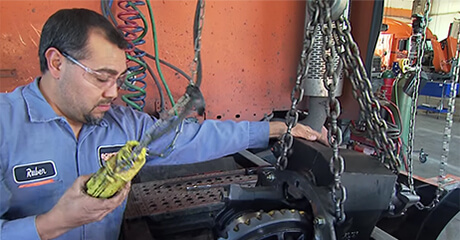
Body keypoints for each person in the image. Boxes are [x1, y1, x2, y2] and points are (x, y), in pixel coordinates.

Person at [0, 8, 327, 240]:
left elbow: (192, 137)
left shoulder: (123, 125)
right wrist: (52, 224)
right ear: (56, 63)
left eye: (119, 79)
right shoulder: (5, 125)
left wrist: (276, 130)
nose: (113, 93)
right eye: (101, 78)